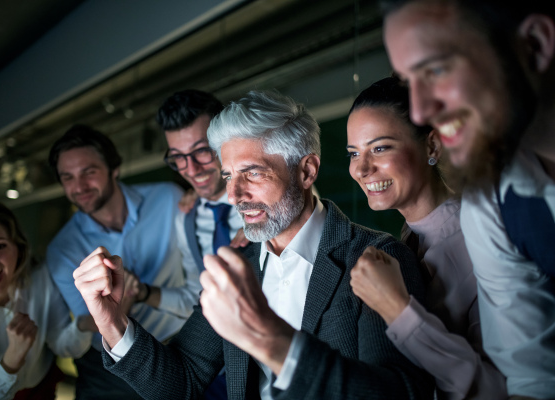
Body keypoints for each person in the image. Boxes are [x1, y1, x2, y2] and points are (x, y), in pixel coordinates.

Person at [73, 90, 434, 399]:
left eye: (253, 173)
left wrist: (272, 340)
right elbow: (180, 383)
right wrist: (112, 322)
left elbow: (400, 392)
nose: (234, 194)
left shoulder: (378, 258)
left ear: (307, 171)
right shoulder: (237, 265)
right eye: (229, 175)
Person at [380, 0, 555, 397]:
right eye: (409, 84)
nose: (421, 112)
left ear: (535, 44)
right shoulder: (491, 204)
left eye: (436, 70)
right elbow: (534, 379)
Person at [347, 76, 505, 399]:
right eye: (353, 153)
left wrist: (397, 309)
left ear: (431, 145)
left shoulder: (481, 239)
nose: (361, 168)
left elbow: (497, 389)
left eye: (379, 148)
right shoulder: (407, 241)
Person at [46, 125, 191, 399]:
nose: (79, 187)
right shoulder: (62, 251)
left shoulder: (168, 198)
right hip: (111, 368)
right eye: (68, 177)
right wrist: (123, 301)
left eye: (89, 172)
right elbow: (95, 325)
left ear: (113, 169)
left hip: (182, 345)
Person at [157, 89, 249, 399]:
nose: (191, 169)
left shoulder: (269, 201)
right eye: (178, 158)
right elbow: (197, 297)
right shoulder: (186, 218)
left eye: (201, 151)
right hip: (218, 369)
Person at [0, 203, 92, 400]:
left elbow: (63, 346)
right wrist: (13, 357)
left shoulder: (40, 279)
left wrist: (87, 322)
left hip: (40, 392)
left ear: (18, 249)